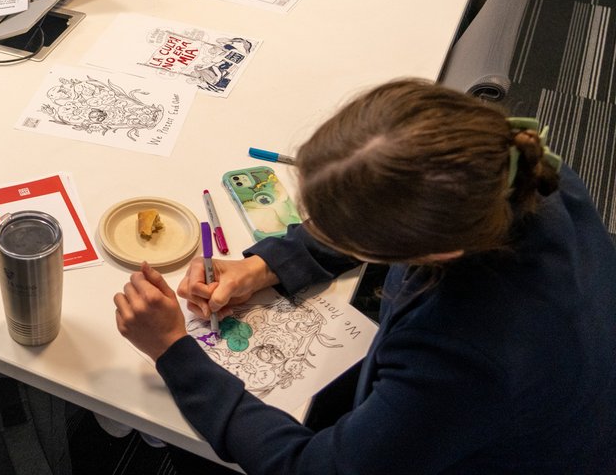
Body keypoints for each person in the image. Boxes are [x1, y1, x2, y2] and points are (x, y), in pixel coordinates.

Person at [113, 79, 616, 474]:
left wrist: (173, 350)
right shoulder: (514, 171)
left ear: (430, 250)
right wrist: (264, 266)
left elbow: (315, 469)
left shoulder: (466, 352)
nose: (324, 233)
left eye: (346, 235)